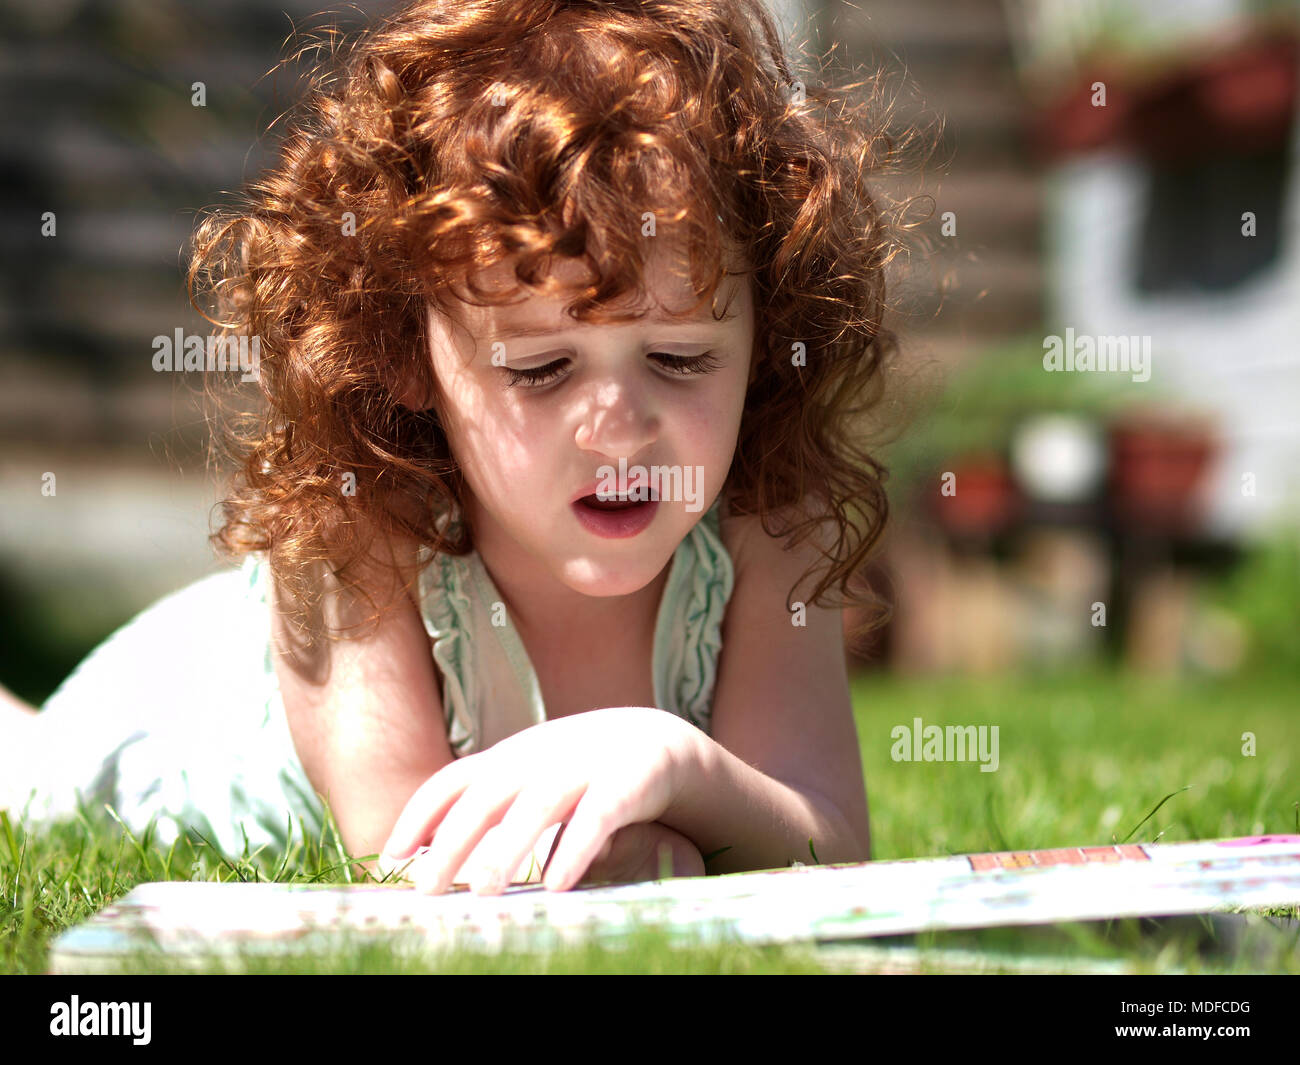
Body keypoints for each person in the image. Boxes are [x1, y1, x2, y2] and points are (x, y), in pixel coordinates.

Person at [2, 0, 908, 896]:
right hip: (181, 709)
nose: (621, 425)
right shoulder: (357, 531)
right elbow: (403, 859)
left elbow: (828, 839)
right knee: (27, 774)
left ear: (766, 331)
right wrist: (653, 853)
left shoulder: (770, 520)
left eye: (680, 358)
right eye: (544, 368)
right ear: (406, 352)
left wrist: (681, 766)